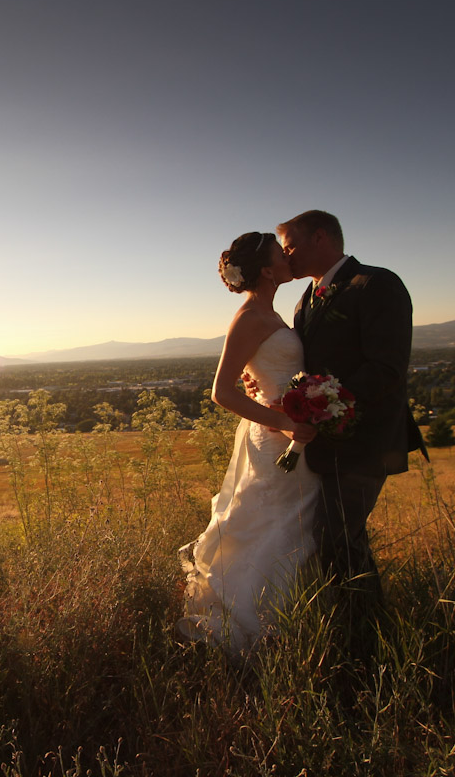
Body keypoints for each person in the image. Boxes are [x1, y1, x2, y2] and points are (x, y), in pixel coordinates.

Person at [274, 210, 426, 634]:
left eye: (290, 246)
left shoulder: (377, 284)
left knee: (339, 541)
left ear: (319, 237)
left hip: (366, 440)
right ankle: (351, 631)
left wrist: (321, 400)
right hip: (324, 444)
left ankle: (370, 640)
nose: (286, 257)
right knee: (335, 542)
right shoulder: (307, 297)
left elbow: (387, 367)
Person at [177, 231, 320, 657]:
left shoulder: (274, 315)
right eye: (282, 253)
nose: (289, 257)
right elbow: (221, 392)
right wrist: (283, 420)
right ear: (265, 269)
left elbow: (258, 371)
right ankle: (255, 628)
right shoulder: (250, 317)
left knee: (294, 526)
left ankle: (292, 624)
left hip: (291, 430)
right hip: (276, 437)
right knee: (268, 523)